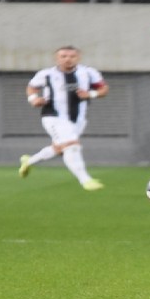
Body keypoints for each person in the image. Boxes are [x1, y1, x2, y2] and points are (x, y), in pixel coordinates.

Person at [18, 46, 108, 191]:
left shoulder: (88, 72)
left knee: (59, 148)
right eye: (64, 56)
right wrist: (33, 99)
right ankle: (86, 180)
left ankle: (29, 161)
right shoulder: (46, 74)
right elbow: (32, 87)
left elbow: (103, 89)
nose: (68, 59)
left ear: (78, 58)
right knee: (72, 146)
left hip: (78, 118)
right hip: (53, 116)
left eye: (72, 56)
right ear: (57, 58)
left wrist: (91, 94)